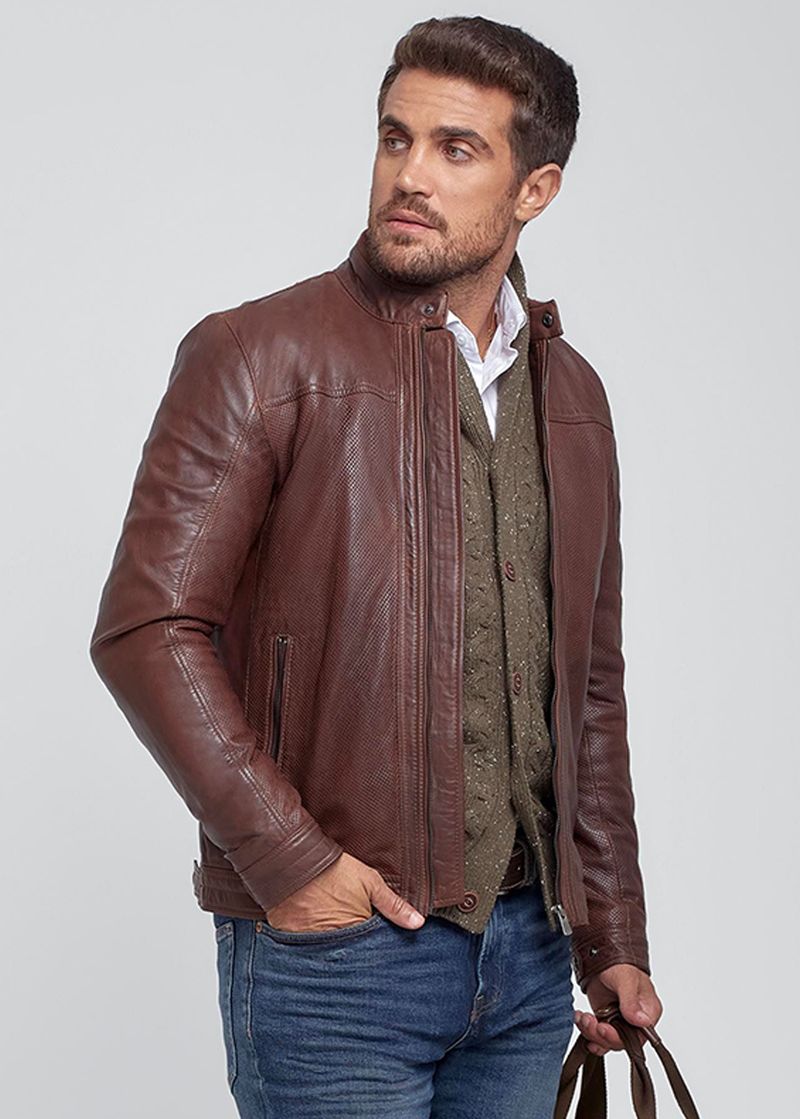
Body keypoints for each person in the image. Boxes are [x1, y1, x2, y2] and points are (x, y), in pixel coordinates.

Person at [89, 14, 662, 1118]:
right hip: (338, 964)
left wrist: (611, 935)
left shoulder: (571, 394)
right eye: (395, 137)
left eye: (456, 149)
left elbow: (588, 683)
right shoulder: (260, 355)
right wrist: (290, 860)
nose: (409, 174)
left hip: (530, 958)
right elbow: (146, 627)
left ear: (535, 189)